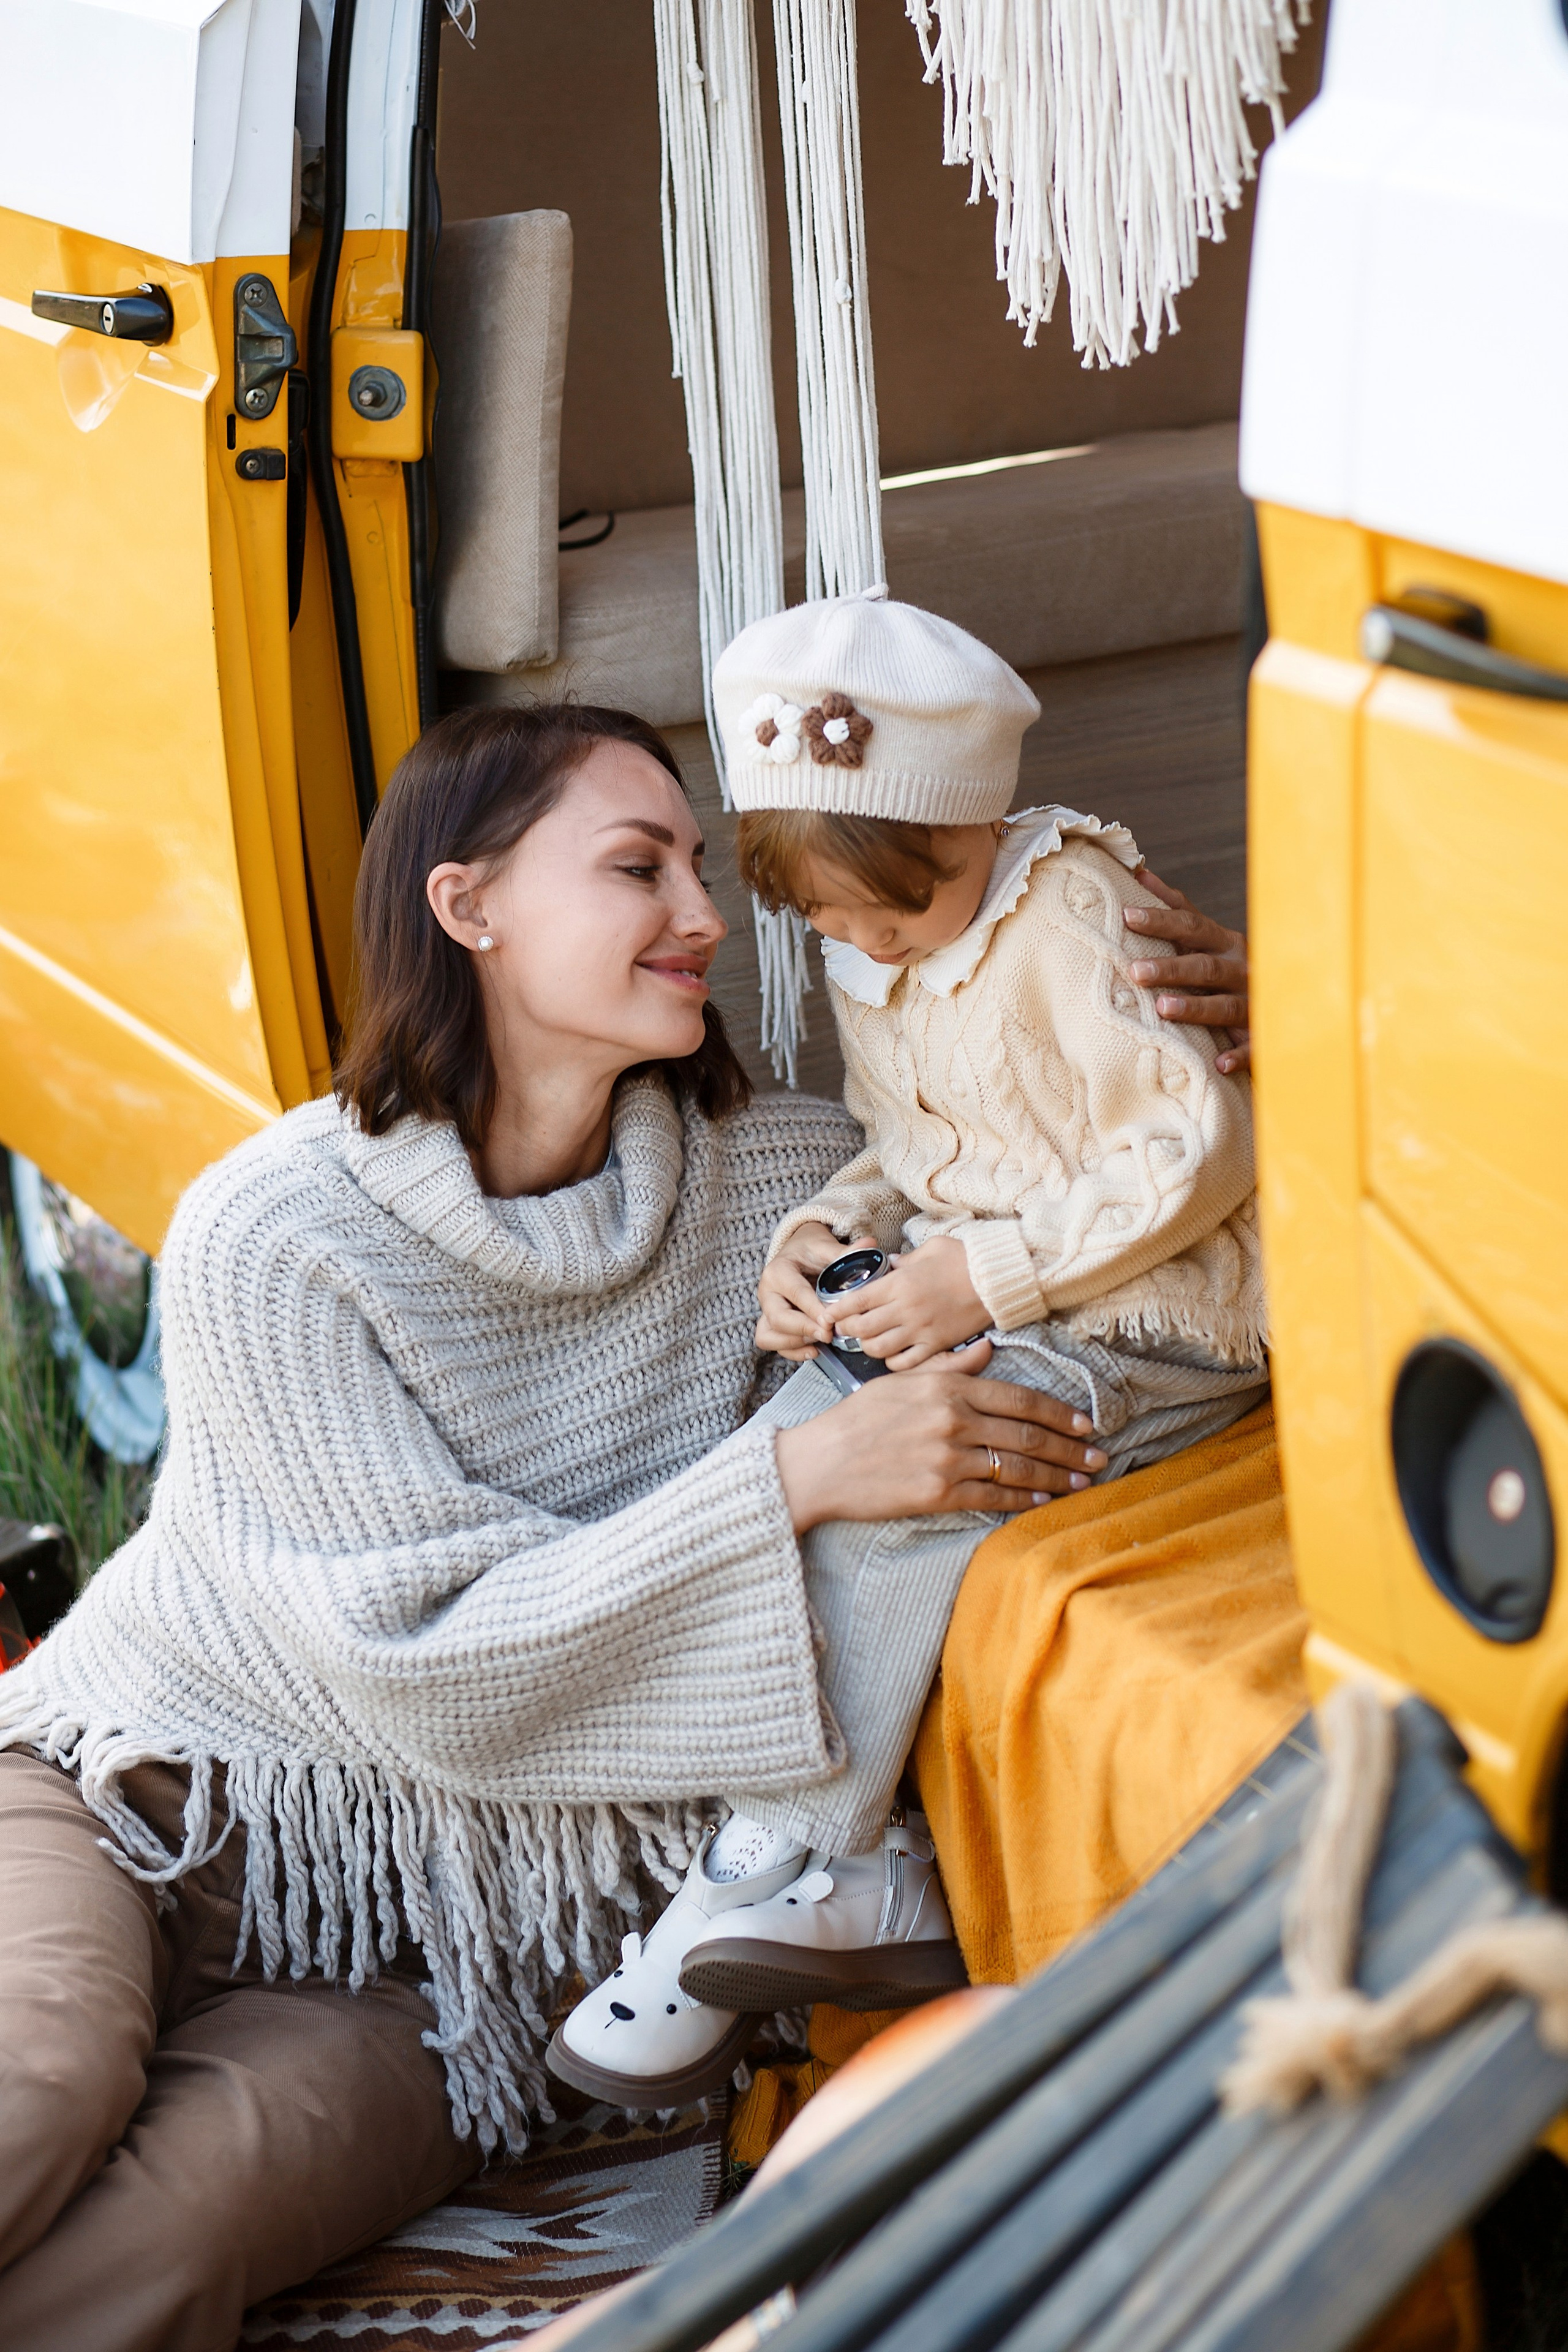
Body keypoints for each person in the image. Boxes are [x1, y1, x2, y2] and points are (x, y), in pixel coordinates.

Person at [0, 702, 1121, 2352]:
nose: (703, 914)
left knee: (174, 2234)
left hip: (484, 1944)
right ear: (469, 907)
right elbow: (418, 1662)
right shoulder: (278, 1231)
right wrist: (798, 1478)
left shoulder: (797, 1189)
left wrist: (1196, 1014)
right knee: (38, 2085)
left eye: (697, 867)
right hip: (156, 1803)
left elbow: (1094, 1187)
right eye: (636, 867)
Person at [562, 594, 1271, 2099]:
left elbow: (1195, 1144)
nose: (860, 948)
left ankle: (791, 1856)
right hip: (1010, 1291)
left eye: (885, 920)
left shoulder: (1064, 914)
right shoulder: (877, 936)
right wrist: (820, 1232)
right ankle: (824, 1855)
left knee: (912, 1486)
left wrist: (985, 1279)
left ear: (967, 830)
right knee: (785, 1451)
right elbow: (914, 1147)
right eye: (830, 927)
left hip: (1156, 1320)